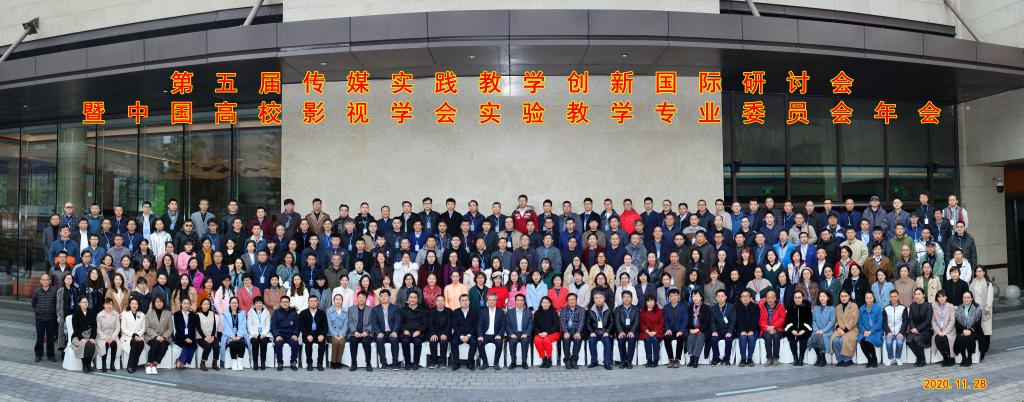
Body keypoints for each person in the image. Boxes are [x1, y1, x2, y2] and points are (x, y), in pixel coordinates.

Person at [31, 273, 58, 363]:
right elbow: (33, 303)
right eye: (43, 279)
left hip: (50, 318)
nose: (45, 281)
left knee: (51, 338)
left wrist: (53, 312)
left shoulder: (54, 291)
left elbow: (56, 303)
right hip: (40, 319)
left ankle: (51, 355)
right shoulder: (36, 291)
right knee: (40, 338)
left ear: (49, 281)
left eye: (47, 279)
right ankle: (38, 355)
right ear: (41, 281)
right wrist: (38, 311)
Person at [372, 289, 401, 370]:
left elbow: (397, 321)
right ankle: (383, 363)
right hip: (381, 332)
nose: (383, 297)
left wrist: (394, 331)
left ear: (389, 297)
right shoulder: (375, 309)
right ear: (379, 298)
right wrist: (378, 332)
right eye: (381, 296)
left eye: (385, 296)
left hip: (392, 331)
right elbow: (374, 322)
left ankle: (395, 363)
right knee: (379, 340)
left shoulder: (395, 308)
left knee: (394, 340)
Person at [969, 266, 993, 361]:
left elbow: (990, 297)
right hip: (975, 308)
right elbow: (970, 295)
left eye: (980, 271)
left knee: (986, 329)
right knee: (978, 328)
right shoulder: (973, 282)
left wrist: (987, 307)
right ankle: (979, 347)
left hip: (985, 308)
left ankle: (985, 347)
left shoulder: (988, 283)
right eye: (977, 271)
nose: (978, 273)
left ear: (984, 272)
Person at [829, 290, 859, 367]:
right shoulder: (837, 307)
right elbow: (836, 321)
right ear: (840, 297)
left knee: (843, 340)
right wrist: (838, 328)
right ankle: (840, 360)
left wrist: (845, 330)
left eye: (845, 296)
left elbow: (853, 320)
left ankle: (848, 360)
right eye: (842, 296)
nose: (844, 298)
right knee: (835, 340)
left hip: (851, 330)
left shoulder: (854, 306)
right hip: (840, 330)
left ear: (849, 296)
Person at [143, 296, 173, 375]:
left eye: (161, 301)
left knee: (163, 345)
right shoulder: (149, 313)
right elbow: (147, 327)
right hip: (151, 336)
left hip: (165, 336)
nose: (159, 303)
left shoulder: (168, 313)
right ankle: (148, 364)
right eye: (157, 301)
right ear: (154, 303)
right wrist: (156, 336)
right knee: (155, 344)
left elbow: (170, 328)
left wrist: (163, 337)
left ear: (164, 303)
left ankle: (154, 365)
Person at [299, 295, 328, 371]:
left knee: (322, 343)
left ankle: (319, 363)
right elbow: (301, 327)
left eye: (315, 301)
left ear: (318, 302)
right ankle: (309, 363)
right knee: (308, 343)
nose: (313, 303)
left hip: (319, 335)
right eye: (311, 301)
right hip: (308, 335)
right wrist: (307, 335)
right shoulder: (303, 313)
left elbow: (325, 326)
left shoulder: (322, 313)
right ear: (308, 302)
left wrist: (322, 335)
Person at [585, 292, 614, 370]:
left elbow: (611, 322)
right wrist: (591, 332)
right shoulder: (591, 310)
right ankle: (594, 361)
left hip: (605, 332)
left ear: (604, 299)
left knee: (607, 341)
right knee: (591, 341)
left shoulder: (609, 309)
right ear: (594, 299)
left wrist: (607, 331)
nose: (598, 299)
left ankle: (607, 362)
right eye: (596, 298)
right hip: (595, 332)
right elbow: (588, 323)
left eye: (600, 297)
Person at [450, 294, 479, 371]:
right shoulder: (455, 312)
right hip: (458, 334)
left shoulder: (474, 312)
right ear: (460, 302)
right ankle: (456, 363)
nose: (465, 302)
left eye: (466, 300)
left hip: (470, 334)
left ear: (469, 301)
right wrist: (461, 336)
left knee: (474, 342)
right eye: (462, 301)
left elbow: (475, 325)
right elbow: (454, 325)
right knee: (454, 341)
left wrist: (468, 336)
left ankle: (470, 363)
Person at [70, 296, 98, 373]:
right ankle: (84, 365)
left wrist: (92, 337)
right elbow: (75, 328)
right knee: (84, 345)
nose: (85, 303)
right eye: (83, 302)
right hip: (78, 336)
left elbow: (94, 326)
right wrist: (81, 338)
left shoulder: (91, 312)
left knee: (92, 344)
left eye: (86, 302)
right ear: (79, 303)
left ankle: (89, 364)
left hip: (89, 335)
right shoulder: (76, 313)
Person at [398, 292, 426, 370]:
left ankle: (416, 363)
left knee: (417, 342)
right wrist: (404, 330)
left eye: (415, 297)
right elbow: (399, 323)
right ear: (408, 299)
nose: (413, 299)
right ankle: (407, 363)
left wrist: (419, 331)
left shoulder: (422, 310)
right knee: (405, 341)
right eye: (411, 297)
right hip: (406, 332)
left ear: (418, 299)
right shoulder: (402, 310)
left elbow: (425, 324)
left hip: (418, 333)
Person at [954, 290, 982, 367]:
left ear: (972, 298)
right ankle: (963, 358)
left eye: (968, 297)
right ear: (962, 298)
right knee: (960, 338)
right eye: (964, 297)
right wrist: (963, 330)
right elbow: (956, 323)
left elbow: (978, 323)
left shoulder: (977, 308)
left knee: (970, 338)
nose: (966, 299)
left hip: (974, 330)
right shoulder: (958, 309)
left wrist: (970, 330)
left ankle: (969, 358)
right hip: (961, 330)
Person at [906, 288, 933, 367]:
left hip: (926, 330)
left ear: (923, 295)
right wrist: (913, 328)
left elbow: (928, 320)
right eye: (915, 294)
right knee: (909, 340)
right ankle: (919, 358)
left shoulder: (928, 305)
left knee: (917, 339)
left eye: (919, 294)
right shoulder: (912, 305)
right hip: (914, 329)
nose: (917, 296)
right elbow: (910, 319)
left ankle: (922, 360)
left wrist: (918, 329)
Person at [347, 291, 374, 371]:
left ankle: (368, 364)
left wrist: (367, 332)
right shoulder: (351, 309)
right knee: (353, 341)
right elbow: (350, 322)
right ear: (357, 298)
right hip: (354, 333)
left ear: (366, 299)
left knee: (366, 342)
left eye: (363, 297)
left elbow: (372, 323)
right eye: (359, 297)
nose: (361, 299)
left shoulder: (370, 309)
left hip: (366, 333)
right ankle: (353, 364)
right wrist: (354, 332)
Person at [758, 289, 785, 366]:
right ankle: (769, 358)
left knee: (776, 336)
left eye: (772, 298)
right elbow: (760, 320)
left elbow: (782, 319)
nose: (770, 300)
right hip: (765, 328)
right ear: (766, 298)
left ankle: (776, 358)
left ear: (775, 298)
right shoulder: (762, 306)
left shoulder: (780, 306)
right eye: (768, 298)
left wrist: (773, 327)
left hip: (777, 328)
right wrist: (767, 328)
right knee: (768, 336)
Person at [881, 290, 909, 366]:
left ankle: (897, 358)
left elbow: (905, 321)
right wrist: (888, 332)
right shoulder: (885, 308)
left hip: (900, 332)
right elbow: (884, 322)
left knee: (899, 342)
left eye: (895, 296)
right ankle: (891, 358)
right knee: (888, 342)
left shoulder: (903, 308)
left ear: (898, 297)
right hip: (889, 332)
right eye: (891, 297)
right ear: (889, 298)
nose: (893, 298)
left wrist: (901, 332)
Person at [784, 290, 812, 366]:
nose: (797, 299)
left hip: (804, 328)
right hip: (793, 328)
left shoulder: (807, 305)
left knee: (803, 339)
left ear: (802, 298)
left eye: (799, 297)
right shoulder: (790, 305)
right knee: (792, 339)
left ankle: (801, 358)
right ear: (793, 298)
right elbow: (787, 320)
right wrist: (791, 330)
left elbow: (809, 320)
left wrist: (804, 330)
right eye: (795, 297)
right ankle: (795, 358)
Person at [505, 294, 533, 369]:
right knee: (512, 342)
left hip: (524, 334)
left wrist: (526, 333)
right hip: (514, 334)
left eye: (521, 300)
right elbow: (507, 325)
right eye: (518, 300)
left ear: (524, 302)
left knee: (525, 341)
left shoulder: (528, 312)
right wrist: (511, 334)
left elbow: (531, 324)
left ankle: (524, 362)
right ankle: (513, 362)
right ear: (515, 301)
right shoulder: (509, 312)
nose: (520, 302)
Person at [221, 296, 249, 371]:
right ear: (229, 304)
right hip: (229, 335)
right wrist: (232, 336)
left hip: (240, 334)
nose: (234, 304)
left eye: (236, 303)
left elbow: (243, 325)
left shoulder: (242, 313)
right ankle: (234, 361)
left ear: (238, 304)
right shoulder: (225, 314)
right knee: (233, 343)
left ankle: (239, 361)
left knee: (242, 343)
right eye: (232, 303)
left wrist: (239, 335)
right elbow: (226, 327)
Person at [532, 296, 560, 368]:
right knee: (536, 340)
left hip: (553, 333)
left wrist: (547, 332)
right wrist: (539, 333)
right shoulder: (537, 313)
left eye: (547, 303)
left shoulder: (554, 312)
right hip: (541, 333)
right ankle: (544, 359)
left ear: (550, 304)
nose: (545, 304)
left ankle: (549, 359)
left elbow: (556, 326)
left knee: (546, 340)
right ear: (541, 303)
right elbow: (535, 325)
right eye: (543, 302)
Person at [613, 290, 639, 369]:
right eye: (624, 297)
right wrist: (620, 331)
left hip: (632, 331)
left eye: (628, 297)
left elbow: (637, 321)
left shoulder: (636, 309)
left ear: (631, 298)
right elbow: (617, 321)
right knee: (621, 340)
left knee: (631, 340)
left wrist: (632, 331)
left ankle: (629, 361)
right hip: (622, 331)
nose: (626, 299)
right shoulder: (618, 309)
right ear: (622, 298)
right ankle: (623, 361)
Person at [120, 298, 147, 373]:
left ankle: (134, 364)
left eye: (136, 304)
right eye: (132, 303)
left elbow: (144, 328)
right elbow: (123, 328)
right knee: (134, 342)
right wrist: (133, 335)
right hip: (128, 336)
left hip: (139, 336)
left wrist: (137, 335)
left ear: (138, 305)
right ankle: (130, 365)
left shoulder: (142, 314)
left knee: (141, 343)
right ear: (129, 305)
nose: (134, 305)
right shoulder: (125, 314)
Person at [857, 291, 883, 367]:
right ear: (865, 299)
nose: (869, 300)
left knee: (868, 341)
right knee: (862, 341)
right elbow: (859, 323)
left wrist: (871, 331)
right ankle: (869, 359)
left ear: (873, 298)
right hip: (865, 331)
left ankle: (874, 358)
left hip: (876, 331)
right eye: (867, 298)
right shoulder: (861, 308)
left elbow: (879, 323)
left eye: (870, 298)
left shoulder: (878, 308)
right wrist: (864, 331)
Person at [809, 291, 835, 367]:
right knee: (813, 337)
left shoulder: (832, 308)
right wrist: (816, 330)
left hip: (827, 331)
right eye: (820, 296)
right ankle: (819, 357)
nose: (822, 298)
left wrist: (823, 330)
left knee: (822, 337)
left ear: (827, 298)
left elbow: (832, 321)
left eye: (824, 296)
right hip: (817, 330)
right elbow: (813, 320)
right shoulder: (815, 308)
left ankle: (823, 359)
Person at [560, 293, 585, 369]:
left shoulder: (581, 309)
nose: (571, 301)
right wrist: (565, 331)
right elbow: (563, 322)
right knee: (566, 340)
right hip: (567, 330)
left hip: (576, 330)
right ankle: (567, 360)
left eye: (573, 299)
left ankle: (574, 360)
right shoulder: (563, 310)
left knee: (578, 340)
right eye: (569, 300)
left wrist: (578, 332)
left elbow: (581, 322)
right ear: (567, 301)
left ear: (576, 300)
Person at [932, 290, 957, 366]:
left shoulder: (951, 306)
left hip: (950, 330)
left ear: (946, 297)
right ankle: (945, 357)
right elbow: (933, 321)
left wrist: (945, 332)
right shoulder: (934, 307)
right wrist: (938, 331)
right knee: (937, 338)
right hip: (939, 330)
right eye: (939, 297)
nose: (941, 298)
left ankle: (951, 358)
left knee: (946, 338)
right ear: (937, 298)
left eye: (943, 296)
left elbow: (952, 321)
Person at [426, 294, 451, 369]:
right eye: (438, 301)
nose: (440, 302)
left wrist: (445, 333)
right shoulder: (431, 312)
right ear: (435, 302)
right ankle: (434, 362)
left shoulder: (449, 312)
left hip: (445, 333)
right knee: (433, 340)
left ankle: (443, 362)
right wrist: (433, 334)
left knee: (443, 341)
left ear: (444, 302)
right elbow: (430, 324)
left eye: (441, 301)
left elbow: (449, 324)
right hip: (434, 333)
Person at [172, 298, 198, 369]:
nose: (186, 305)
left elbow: (193, 329)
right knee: (187, 344)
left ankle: (180, 360)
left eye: (188, 303)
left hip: (190, 337)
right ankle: (182, 362)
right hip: (179, 337)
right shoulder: (176, 314)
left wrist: (190, 338)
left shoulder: (193, 315)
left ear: (190, 305)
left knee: (193, 345)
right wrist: (185, 338)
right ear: (181, 304)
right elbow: (177, 329)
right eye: (184, 303)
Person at [639, 295, 664, 367]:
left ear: (655, 302)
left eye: (652, 301)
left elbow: (661, 322)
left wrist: (655, 331)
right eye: (648, 301)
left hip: (657, 332)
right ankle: (649, 359)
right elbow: (641, 323)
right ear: (646, 302)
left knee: (655, 339)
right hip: (646, 332)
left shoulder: (659, 311)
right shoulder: (642, 311)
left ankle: (656, 360)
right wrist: (647, 331)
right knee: (647, 340)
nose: (650, 303)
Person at [195, 298, 221, 371]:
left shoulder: (212, 314)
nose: (206, 306)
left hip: (211, 336)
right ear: (201, 305)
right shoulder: (197, 315)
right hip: (201, 337)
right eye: (205, 304)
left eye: (208, 304)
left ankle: (214, 363)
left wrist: (212, 336)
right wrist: (204, 337)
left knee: (216, 346)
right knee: (207, 347)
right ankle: (202, 363)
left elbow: (214, 326)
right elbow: (198, 328)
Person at [247, 296, 272, 370]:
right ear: (254, 304)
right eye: (257, 303)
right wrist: (253, 333)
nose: (258, 304)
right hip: (254, 333)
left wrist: (264, 333)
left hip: (264, 333)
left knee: (263, 342)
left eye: (260, 303)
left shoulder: (266, 312)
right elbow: (249, 324)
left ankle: (263, 362)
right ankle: (255, 362)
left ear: (262, 304)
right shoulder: (250, 312)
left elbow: (268, 324)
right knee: (255, 342)